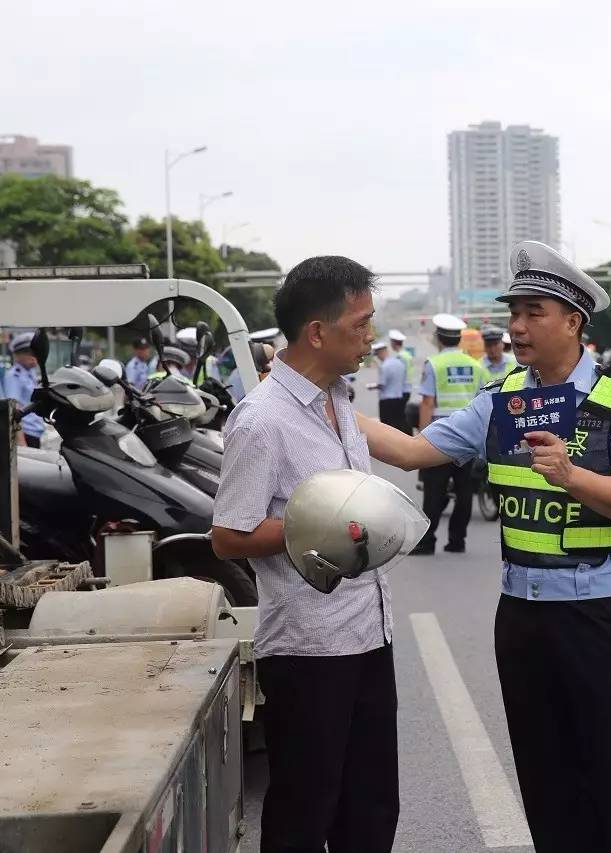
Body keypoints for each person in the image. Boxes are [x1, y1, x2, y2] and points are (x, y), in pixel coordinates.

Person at [355, 240, 611, 852]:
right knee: (543, 772)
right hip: (521, 613)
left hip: (596, 611)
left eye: (533, 313)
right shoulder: (502, 399)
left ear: (573, 321)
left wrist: (572, 475)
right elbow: (414, 450)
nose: (517, 328)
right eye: (513, 315)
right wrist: (323, 399)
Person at [210, 256, 398, 853]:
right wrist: (320, 522)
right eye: (361, 324)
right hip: (309, 645)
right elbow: (228, 537)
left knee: (370, 807)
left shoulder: (339, 401)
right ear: (318, 331)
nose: (370, 336)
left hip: (369, 630)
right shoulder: (261, 420)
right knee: (304, 807)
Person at [410, 313, 487, 555]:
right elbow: (482, 401)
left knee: (434, 490)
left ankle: (427, 541)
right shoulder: (476, 365)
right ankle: (457, 541)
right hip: (469, 437)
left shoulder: (434, 364)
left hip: (440, 438)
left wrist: (420, 440)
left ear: (438, 338)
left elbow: (427, 403)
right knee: (464, 491)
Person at [4, 332, 45, 449]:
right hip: (25, 434)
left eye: (35, 353)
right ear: (17, 355)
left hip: (34, 432)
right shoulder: (14, 375)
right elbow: (13, 410)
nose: (33, 356)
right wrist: (22, 443)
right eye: (28, 353)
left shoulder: (29, 373)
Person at [368, 339, 409, 433]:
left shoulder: (384, 366)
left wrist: (371, 386)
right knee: (399, 425)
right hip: (399, 398)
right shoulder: (400, 363)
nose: (377, 357)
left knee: (386, 428)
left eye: (377, 354)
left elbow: (382, 384)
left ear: (381, 352)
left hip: (386, 401)